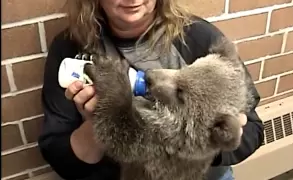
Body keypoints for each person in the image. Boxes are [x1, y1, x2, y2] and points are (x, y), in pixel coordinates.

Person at [38, 0, 264, 179]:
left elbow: (251, 130)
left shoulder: (198, 36)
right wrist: (97, 121)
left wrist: (199, 145)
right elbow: (61, 159)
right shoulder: (69, 47)